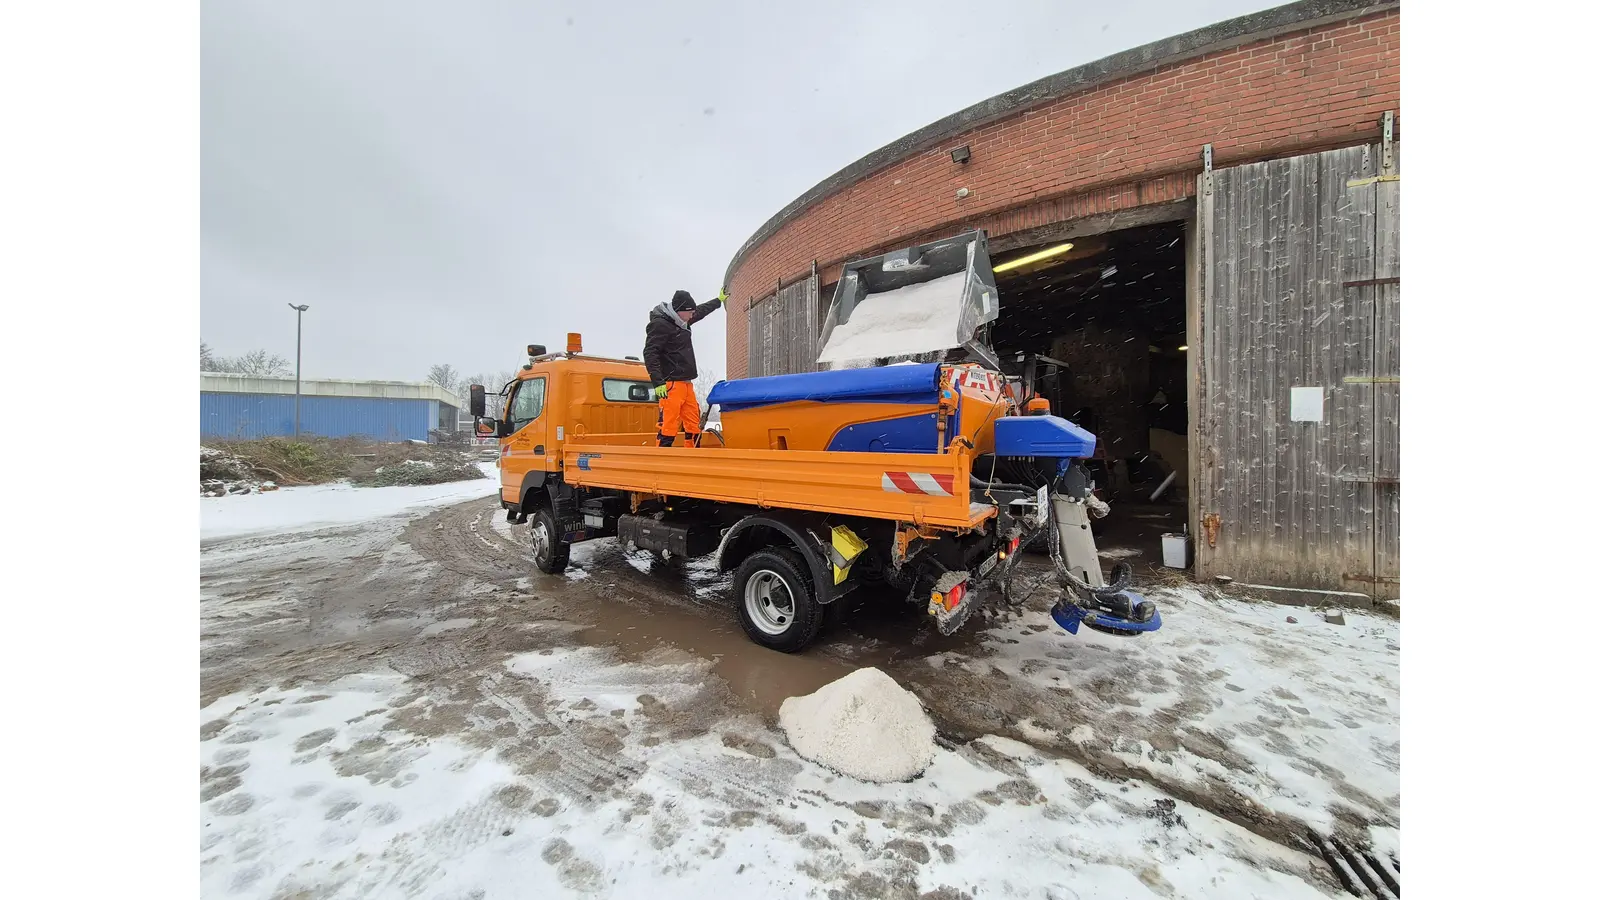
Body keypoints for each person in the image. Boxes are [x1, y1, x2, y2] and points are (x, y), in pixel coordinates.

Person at [643, 288, 725, 447]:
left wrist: (718, 300)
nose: (692, 315)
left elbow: (700, 311)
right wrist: (658, 382)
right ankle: (663, 461)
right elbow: (650, 353)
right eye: (689, 312)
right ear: (679, 311)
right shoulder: (660, 325)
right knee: (668, 425)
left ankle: (692, 457)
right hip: (671, 384)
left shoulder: (683, 320)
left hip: (687, 384)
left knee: (694, 424)